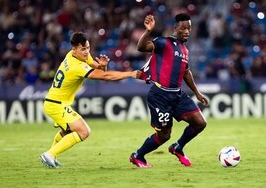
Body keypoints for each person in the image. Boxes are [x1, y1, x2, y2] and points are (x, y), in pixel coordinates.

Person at [40, 32, 142, 168]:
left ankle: (52, 156)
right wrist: (131, 73)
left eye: (88, 47)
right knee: (84, 131)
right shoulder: (76, 66)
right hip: (56, 105)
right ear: (74, 49)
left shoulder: (75, 56)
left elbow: (99, 69)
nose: (87, 52)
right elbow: (105, 77)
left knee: (67, 131)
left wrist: (102, 65)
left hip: (55, 102)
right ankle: (49, 154)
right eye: (83, 49)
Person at [129, 13, 209, 168]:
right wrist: (148, 31)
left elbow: (186, 72)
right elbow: (141, 47)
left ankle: (178, 147)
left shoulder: (185, 50)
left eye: (189, 28)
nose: (187, 31)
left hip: (177, 94)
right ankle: (138, 155)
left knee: (200, 123)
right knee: (164, 135)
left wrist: (197, 93)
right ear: (175, 28)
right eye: (183, 28)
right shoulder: (163, 42)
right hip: (160, 95)